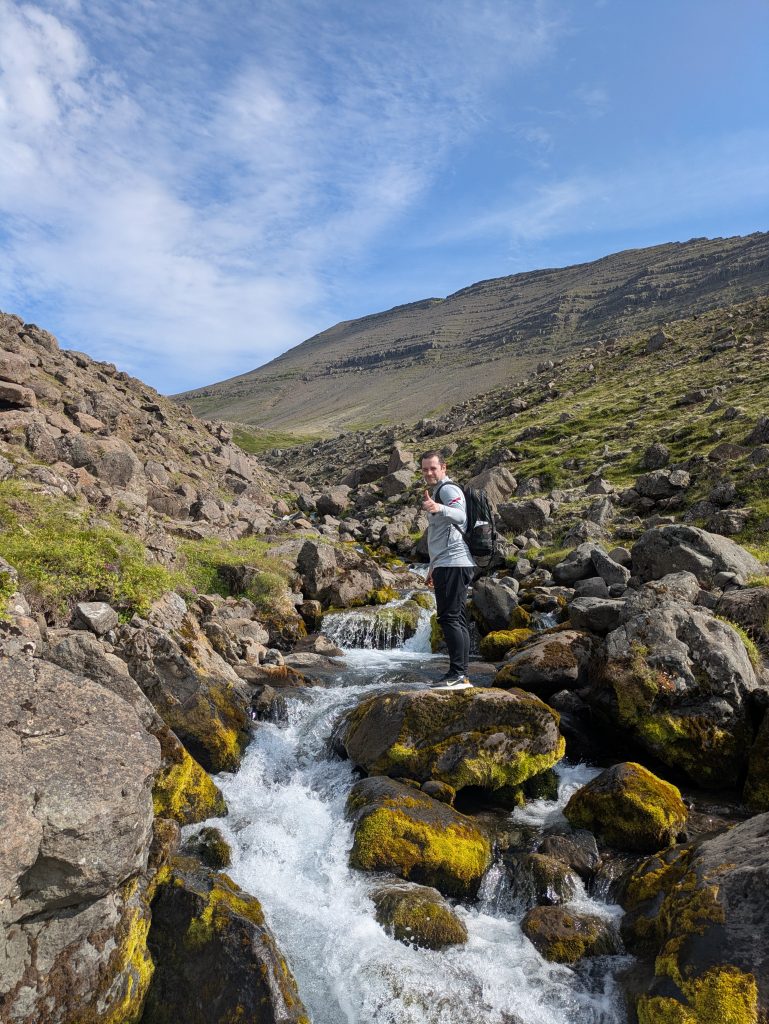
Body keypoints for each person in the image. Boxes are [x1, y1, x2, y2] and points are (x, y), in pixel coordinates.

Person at [420, 450, 475, 688]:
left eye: (433, 468)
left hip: (454, 562)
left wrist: (438, 507)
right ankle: (461, 674)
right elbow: (441, 535)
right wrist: (433, 567)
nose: (429, 473)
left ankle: (457, 675)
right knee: (457, 618)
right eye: (425, 469)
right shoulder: (439, 491)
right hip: (448, 563)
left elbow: (460, 516)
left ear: (444, 467)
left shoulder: (448, 490)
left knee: (449, 618)